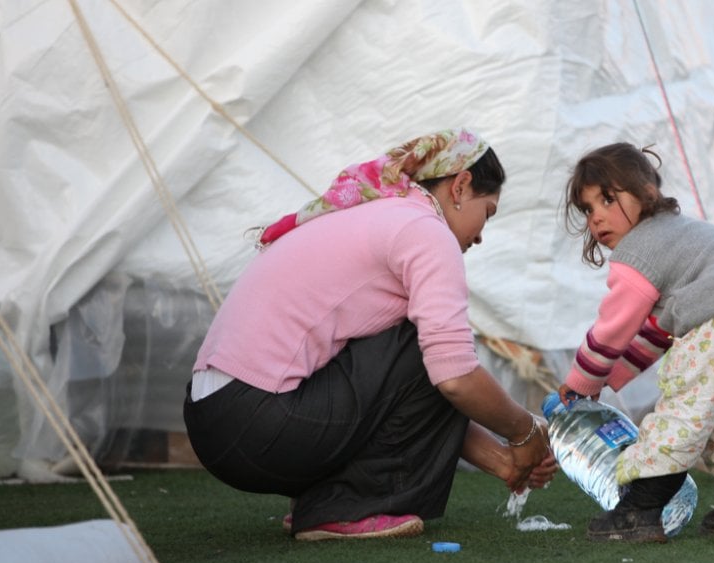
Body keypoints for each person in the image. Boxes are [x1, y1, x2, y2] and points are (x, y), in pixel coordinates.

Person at [183, 128, 557, 541]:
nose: (481, 235)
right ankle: (349, 505)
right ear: (460, 186)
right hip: (257, 424)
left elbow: (404, 390)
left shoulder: (376, 215)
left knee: (426, 344)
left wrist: (506, 462)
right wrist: (526, 430)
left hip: (213, 421)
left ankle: (328, 500)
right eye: (487, 212)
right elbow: (452, 377)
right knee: (435, 349)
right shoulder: (424, 230)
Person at [556, 142, 714, 543]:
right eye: (588, 209)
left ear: (647, 193)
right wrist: (617, 374)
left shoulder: (639, 248)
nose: (597, 217)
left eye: (607, 199)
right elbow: (659, 328)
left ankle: (640, 513)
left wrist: (583, 381)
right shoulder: (682, 233)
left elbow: (613, 327)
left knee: (682, 415)